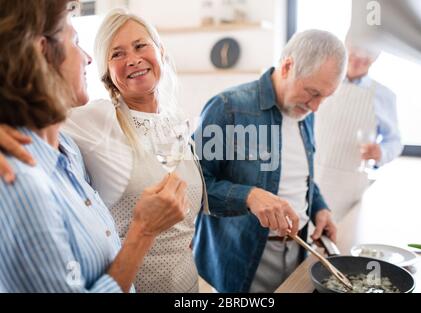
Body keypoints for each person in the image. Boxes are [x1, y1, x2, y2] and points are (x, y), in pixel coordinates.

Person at [0, 8, 209, 293]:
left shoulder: (173, 121)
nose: (133, 59)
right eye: (117, 54)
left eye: (140, 46)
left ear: (161, 51)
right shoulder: (95, 119)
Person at [192, 30, 347, 293]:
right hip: (241, 259)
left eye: (324, 97)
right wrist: (249, 196)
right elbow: (192, 189)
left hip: (299, 248)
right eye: (312, 93)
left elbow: (300, 175)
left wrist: (320, 207)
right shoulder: (227, 108)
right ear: (287, 66)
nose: (316, 106)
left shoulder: (304, 112)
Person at [314, 42, 403, 222]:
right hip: (312, 176)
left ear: (375, 57)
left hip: (350, 187)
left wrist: (381, 152)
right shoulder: (321, 82)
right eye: (353, 54)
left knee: (340, 241)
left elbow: (394, 141)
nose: (357, 61)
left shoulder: (383, 95)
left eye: (365, 58)